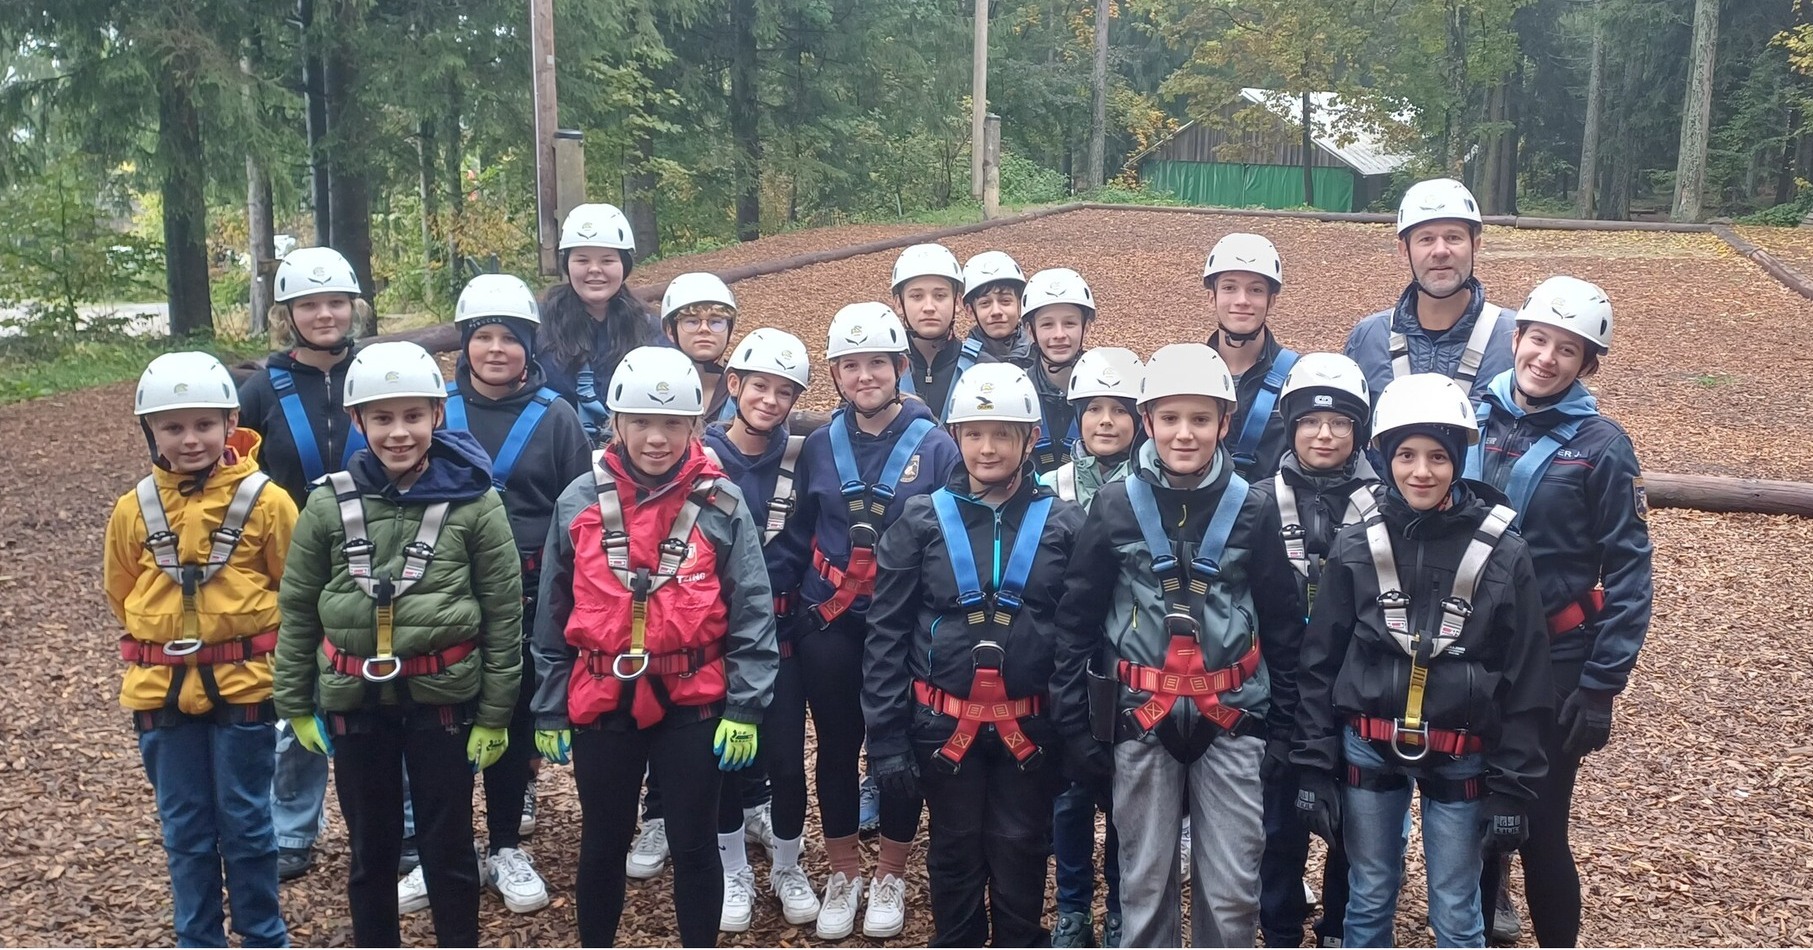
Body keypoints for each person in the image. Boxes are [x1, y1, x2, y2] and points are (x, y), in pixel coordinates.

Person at [1051, 343, 1305, 947]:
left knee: (1233, 891)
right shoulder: (1115, 507)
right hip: (1140, 721)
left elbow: (1283, 625)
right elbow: (1077, 621)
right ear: (1147, 422)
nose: (1184, 433)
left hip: (1234, 719)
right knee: (1143, 884)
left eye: (1200, 419)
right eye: (1169, 418)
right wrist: (1075, 728)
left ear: (1225, 423)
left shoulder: (1254, 511)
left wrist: (1286, 732)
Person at [274, 341, 524, 948]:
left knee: (449, 849)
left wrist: (496, 715)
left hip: (442, 700)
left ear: (438, 414)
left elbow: (502, 613)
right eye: (382, 418)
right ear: (357, 421)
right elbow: (299, 608)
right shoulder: (326, 503)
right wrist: (295, 703)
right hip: (355, 701)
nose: (399, 432)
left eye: (413, 416)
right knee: (371, 851)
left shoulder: (475, 502)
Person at [1291, 373, 1552, 949]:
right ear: (1385, 458)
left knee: (1456, 905)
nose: (1421, 472)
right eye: (1405, 455)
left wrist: (1512, 786)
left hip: (1461, 748)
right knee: (1369, 892)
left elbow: (1526, 673)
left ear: (1458, 459)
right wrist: (1312, 764)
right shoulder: (1356, 544)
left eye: (1438, 456)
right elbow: (1321, 660)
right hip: (1369, 740)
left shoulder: (1504, 553)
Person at [530, 346, 778, 948]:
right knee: (603, 843)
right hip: (602, 695)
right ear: (616, 423)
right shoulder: (579, 500)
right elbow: (552, 612)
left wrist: (745, 706)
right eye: (641, 421)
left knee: (694, 843)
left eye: (672, 423)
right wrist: (548, 705)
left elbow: (751, 606)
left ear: (695, 426)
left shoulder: (720, 502)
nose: (657, 438)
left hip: (694, 698)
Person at [385, 274, 592, 918]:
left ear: (530, 345)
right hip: (440, 590)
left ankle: (506, 844)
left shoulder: (556, 417)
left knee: (512, 711)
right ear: (465, 344)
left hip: (525, 590)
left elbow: (578, 512)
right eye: (483, 337)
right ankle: (445, 850)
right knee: (441, 719)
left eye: (509, 337)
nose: (496, 349)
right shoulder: (434, 412)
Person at [864, 363, 1084, 946]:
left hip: (1030, 725)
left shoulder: (1064, 524)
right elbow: (886, 632)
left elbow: (1077, 635)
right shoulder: (920, 520)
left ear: (1030, 439)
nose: (988, 448)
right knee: (954, 851)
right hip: (942, 724)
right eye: (975, 434)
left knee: (1022, 849)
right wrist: (886, 738)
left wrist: (1075, 731)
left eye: (1003, 434)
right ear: (956, 437)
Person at [1464, 276, 1653, 948]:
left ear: (1586, 364)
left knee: (1540, 826)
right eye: (1537, 339)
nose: (1545, 358)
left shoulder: (1602, 447)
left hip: (1553, 659)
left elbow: (1629, 569)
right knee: (1474, 814)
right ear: (1515, 338)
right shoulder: (1468, 418)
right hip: (1470, 650)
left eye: (1566, 349)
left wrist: (1601, 685)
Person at [771, 302, 962, 939]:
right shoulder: (821, 445)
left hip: (902, 622)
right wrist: (781, 606)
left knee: (896, 743)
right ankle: (844, 871)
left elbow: (949, 535)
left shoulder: (935, 447)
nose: (864, 376)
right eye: (850, 366)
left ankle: (891, 874)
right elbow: (801, 529)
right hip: (830, 618)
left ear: (900, 367)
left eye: (877, 363)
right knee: (835, 743)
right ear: (834, 374)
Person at [105, 352, 296, 948]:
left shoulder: (267, 502)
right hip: (160, 691)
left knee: (247, 823)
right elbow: (121, 590)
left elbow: (294, 586)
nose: (190, 440)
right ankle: (198, 939)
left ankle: (263, 935)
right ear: (151, 430)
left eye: (205, 425)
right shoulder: (134, 508)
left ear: (231, 422)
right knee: (184, 828)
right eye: (173, 427)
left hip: (244, 685)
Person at [235, 245, 367, 882]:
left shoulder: (377, 372)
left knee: (382, 692)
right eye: (309, 305)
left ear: (353, 307)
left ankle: (394, 824)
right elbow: (235, 476)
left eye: (335, 302)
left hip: (382, 553)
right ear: (287, 314)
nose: (324, 315)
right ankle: (291, 827)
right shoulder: (262, 389)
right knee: (298, 698)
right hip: (293, 560)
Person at [1256, 353, 1380, 948]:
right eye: (1309, 422)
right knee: (1278, 818)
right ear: (1290, 426)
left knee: (1355, 819)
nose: (1324, 434)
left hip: (1357, 681)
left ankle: (1339, 924)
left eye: (1339, 423)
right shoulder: (1256, 501)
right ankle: (1279, 925)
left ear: (1360, 430)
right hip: (1279, 682)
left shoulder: (1386, 505)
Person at [702, 328, 819, 930]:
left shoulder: (803, 455)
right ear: (734, 385)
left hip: (781, 629)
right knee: (724, 757)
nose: (770, 401)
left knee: (786, 760)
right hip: (716, 634)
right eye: (759, 387)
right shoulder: (700, 455)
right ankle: (732, 870)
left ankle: (788, 864)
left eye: (784, 392)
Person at [1038, 346, 1142, 948]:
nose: (1105, 421)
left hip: (1130, 653)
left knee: (1126, 786)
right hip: (1068, 651)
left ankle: (1122, 904)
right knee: (1071, 788)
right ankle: (1074, 906)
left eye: (1119, 409)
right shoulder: (1050, 485)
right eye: (1093, 409)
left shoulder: (1150, 485)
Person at [1344, 178, 1514, 407]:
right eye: (1426, 239)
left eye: (1453, 237)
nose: (1440, 251)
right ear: (1404, 250)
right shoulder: (1369, 339)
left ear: (1476, 245)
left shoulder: (1513, 339)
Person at [536, 202, 667, 444]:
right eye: (582, 260)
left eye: (607, 261)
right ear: (567, 265)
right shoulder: (539, 327)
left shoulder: (650, 331)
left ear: (624, 265)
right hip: (553, 452)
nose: (594, 270)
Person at [1204, 233, 1299, 481]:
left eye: (1256, 290)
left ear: (1271, 300)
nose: (1242, 300)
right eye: (1229, 288)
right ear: (1212, 297)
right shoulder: (1186, 373)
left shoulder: (1298, 378)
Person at [1022, 267, 1099, 476]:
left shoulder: (1105, 390)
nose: (1059, 334)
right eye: (1047, 324)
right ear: (1030, 331)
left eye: (1069, 323)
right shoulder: (1018, 390)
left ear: (1086, 328)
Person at [894, 243, 981, 422]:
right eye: (916, 296)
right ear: (898, 304)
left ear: (957, 302)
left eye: (940, 296)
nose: (929, 307)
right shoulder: (881, 371)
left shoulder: (982, 366)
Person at [661, 272, 740, 424]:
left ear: (730, 331)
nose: (704, 329)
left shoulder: (746, 390)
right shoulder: (653, 385)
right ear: (671, 331)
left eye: (716, 322)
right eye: (692, 321)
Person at [959, 250, 1035, 367]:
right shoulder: (960, 364)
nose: (996, 311)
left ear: (1020, 306)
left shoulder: (1042, 358)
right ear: (970, 311)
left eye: (1005, 301)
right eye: (985, 303)